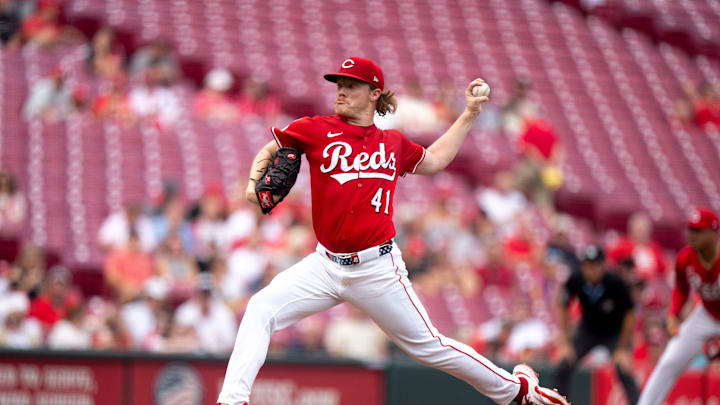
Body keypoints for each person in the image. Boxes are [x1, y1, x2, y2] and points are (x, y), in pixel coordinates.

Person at [217, 57, 568, 405]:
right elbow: (273, 146)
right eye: (339, 85)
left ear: (374, 93)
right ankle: (233, 401)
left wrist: (469, 114)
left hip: (377, 268)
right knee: (261, 308)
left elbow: (434, 160)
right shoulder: (316, 128)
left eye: (351, 85)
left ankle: (517, 391)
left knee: (431, 347)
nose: (341, 91)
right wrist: (253, 186)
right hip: (324, 266)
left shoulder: (393, 142)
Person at [637, 208, 720, 405]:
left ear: (714, 232)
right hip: (706, 315)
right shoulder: (685, 258)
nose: (692, 235)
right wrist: (674, 314)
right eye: (691, 229)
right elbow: (681, 290)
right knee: (669, 361)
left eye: (699, 230)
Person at [555, 244, 639, 404]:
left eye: (595, 265)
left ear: (603, 266)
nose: (591, 270)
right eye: (587, 265)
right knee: (564, 365)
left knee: (624, 369)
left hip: (614, 333)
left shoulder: (615, 282)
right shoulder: (576, 279)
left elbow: (630, 315)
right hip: (588, 330)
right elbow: (563, 306)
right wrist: (565, 343)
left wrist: (622, 349)